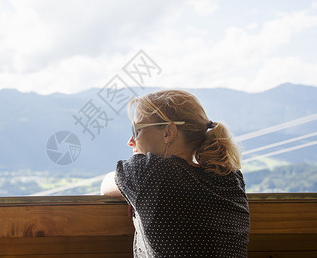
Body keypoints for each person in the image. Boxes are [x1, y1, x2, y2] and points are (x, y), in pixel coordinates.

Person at [100, 89, 250, 257]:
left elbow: (106, 185)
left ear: (168, 132)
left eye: (136, 130)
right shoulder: (230, 177)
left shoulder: (151, 172)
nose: (131, 141)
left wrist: (132, 188)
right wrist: (136, 192)